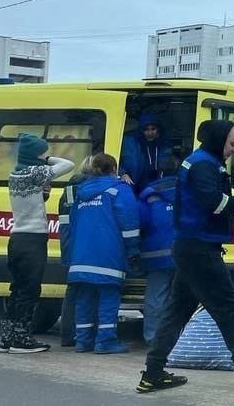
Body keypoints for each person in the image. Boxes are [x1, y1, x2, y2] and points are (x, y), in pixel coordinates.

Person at [138, 119, 234, 393]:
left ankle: (153, 373)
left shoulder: (202, 161)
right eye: (233, 144)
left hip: (190, 247)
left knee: (177, 312)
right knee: (228, 306)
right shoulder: (205, 164)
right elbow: (215, 203)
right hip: (199, 249)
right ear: (219, 140)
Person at [0, 134, 75, 353]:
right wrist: (47, 159)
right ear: (36, 155)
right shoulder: (36, 171)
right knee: (30, 290)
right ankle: (21, 340)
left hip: (17, 239)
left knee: (17, 289)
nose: (46, 154)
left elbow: (30, 201)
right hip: (33, 239)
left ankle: (8, 337)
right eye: (43, 151)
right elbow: (68, 164)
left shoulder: (16, 173)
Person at [67, 153, 140, 354]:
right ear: (114, 168)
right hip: (108, 253)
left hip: (81, 254)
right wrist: (133, 250)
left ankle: (83, 341)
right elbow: (130, 223)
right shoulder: (119, 190)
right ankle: (105, 341)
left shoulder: (81, 192)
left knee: (84, 298)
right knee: (108, 296)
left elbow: (73, 223)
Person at [136, 151, 180, 345]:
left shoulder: (148, 195)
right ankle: (178, 339)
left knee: (155, 298)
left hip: (156, 255)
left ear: (159, 172)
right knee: (181, 298)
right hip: (184, 253)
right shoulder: (189, 191)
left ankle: (153, 339)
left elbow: (141, 222)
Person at [57, 155, 96, 347]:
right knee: (78, 291)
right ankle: (73, 333)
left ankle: (69, 333)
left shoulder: (69, 189)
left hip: (69, 243)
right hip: (79, 245)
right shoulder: (85, 189)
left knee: (74, 290)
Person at [120, 113, 171, 194]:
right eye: (146, 129)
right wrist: (122, 173)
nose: (150, 133)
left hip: (157, 187)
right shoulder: (131, 144)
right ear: (141, 130)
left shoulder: (164, 145)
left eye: (153, 129)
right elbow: (117, 160)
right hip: (134, 185)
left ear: (158, 129)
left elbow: (169, 166)